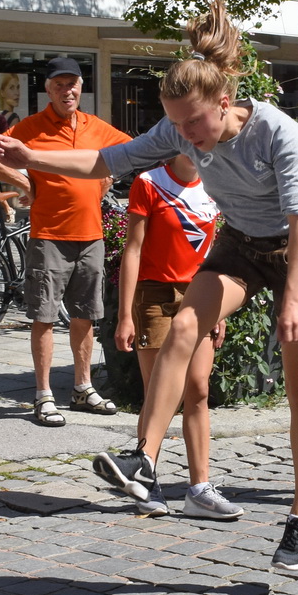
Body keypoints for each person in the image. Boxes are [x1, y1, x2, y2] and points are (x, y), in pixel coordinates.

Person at [0, 0, 298, 570]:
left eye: (195, 122)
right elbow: (103, 163)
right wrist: (31, 156)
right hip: (241, 243)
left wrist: (292, 299)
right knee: (184, 327)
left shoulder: (278, 133)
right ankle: (144, 460)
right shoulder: (177, 131)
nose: (187, 137)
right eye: (176, 125)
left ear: (225, 102)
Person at [0, 57, 125, 426]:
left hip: (92, 235)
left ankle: (82, 388)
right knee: (44, 317)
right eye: (60, 84)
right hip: (49, 236)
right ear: (48, 90)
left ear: (81, 88)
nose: (68, 90)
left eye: (73, 83)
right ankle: (43, 394)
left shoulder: (96, 127)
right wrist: (24, 182)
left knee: (85, 317)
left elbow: (134, 151)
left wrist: (107, 173)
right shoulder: (30, 127)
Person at [112, 151, 243, 521]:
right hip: (155, 295)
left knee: (198, 390)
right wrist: (124, 314)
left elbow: (219, 251)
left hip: (201, 293)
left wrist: (220, 304)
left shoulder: (216, 184)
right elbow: (133, 249)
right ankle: (144, 482)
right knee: (158, 393)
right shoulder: (150, 182)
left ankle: (200, 489)